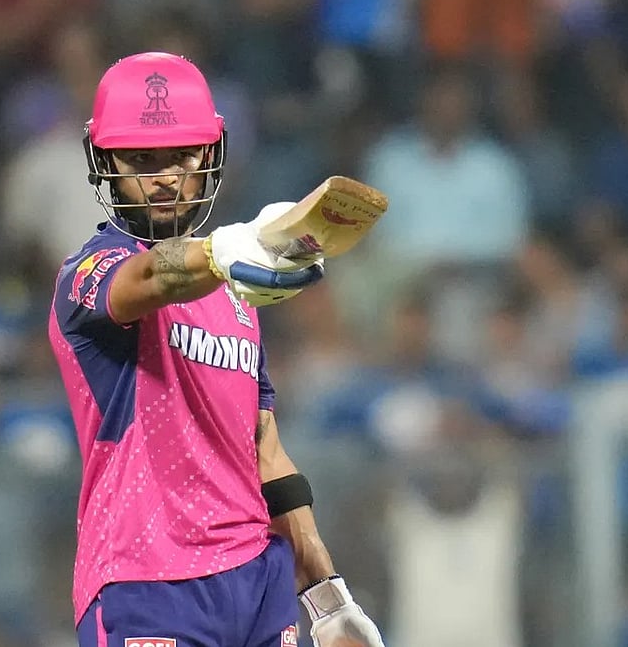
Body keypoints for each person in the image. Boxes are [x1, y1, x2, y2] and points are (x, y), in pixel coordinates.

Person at [47, 51, 384, 647]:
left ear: (210, 155)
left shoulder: (240, 297)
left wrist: (327, 597)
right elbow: (151, 279)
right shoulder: (89, 273)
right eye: (142, 160)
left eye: (181, 156)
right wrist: (231, 249)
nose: (164, 177)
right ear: (105, 162)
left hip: (259, 580)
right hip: (144, 582)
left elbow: (265, 451)